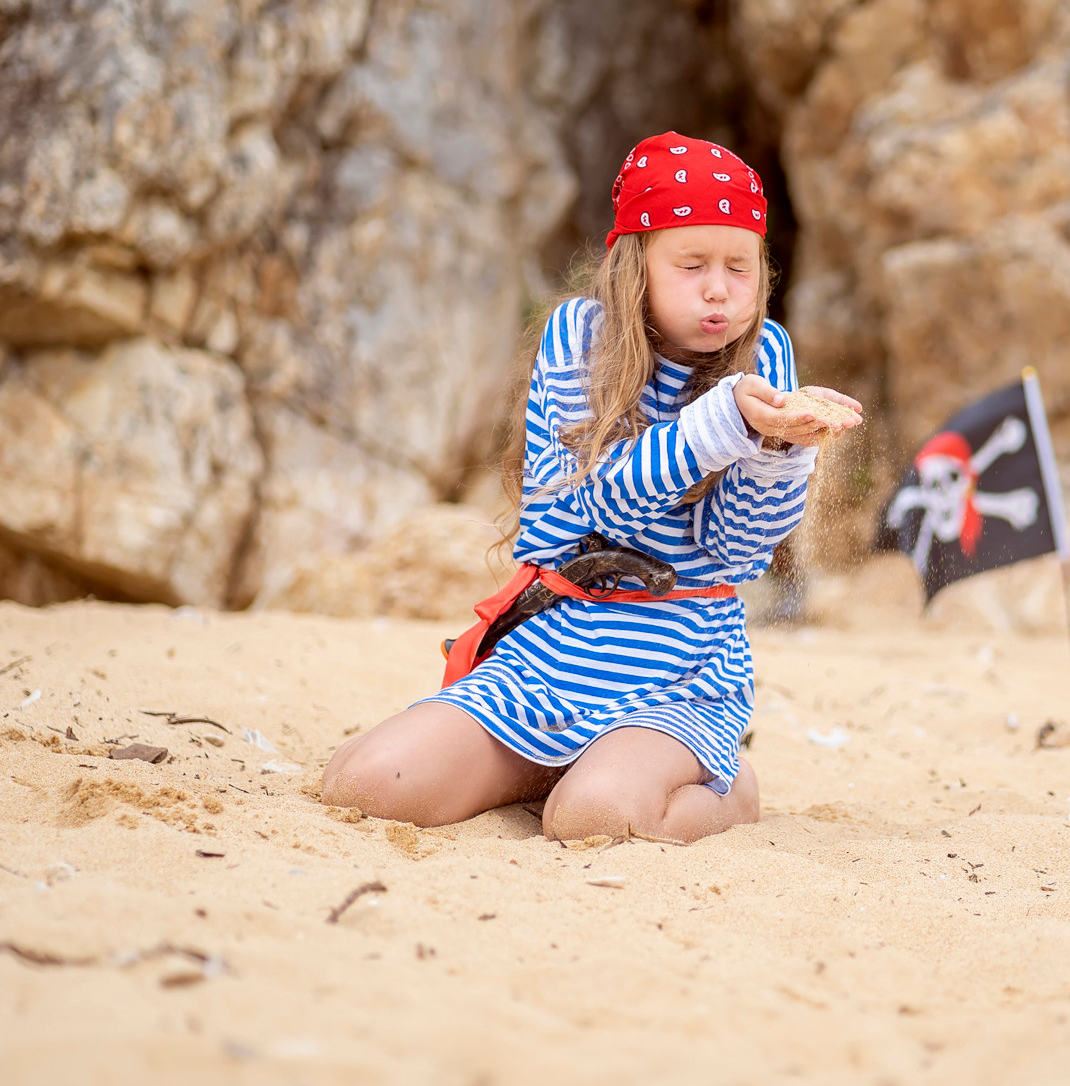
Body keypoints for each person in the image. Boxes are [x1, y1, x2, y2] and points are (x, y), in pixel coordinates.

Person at [320, 131, 861, 843]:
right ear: (636, 265)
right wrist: (723, 423)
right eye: (691, 263)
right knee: (361, 783)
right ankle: (551, 764)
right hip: (554, 651)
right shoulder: (581, 336)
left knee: (590, 818)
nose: (719, 289)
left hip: (680, 669)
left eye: (741, 265)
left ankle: (725, 787)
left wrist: (781, 448)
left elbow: (735, 551)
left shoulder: (767, 354)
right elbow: (597, 503)